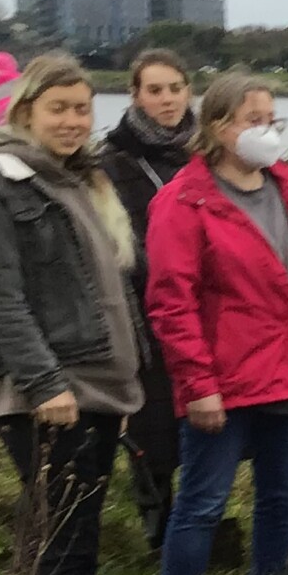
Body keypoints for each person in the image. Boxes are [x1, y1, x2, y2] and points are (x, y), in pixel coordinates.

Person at [0, 54, 146, 575]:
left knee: (79, 517)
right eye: (57, 108)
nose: (71, 121)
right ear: (26, 109)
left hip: (98, 380)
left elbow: (110, 286)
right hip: (52, 386)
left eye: (82, 108)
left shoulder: (78, 179)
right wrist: (43, 383)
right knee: (63, 518)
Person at [143, 73, 288, 575]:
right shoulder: (184, 202)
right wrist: (199, 385)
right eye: (254, 120)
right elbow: (173, 302)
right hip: (227, 379)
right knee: (203, 501)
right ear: (218, 127)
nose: (267, 130)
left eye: (272, 120)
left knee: (281, 497)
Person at [103, 48, 198, 547]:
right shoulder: (112, 162)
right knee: (151, 428)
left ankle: (198, 524)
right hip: (143, 308)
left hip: (203, 309)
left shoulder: (205, 154)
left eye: (175, 89)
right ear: (135, 95)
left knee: (201, 421)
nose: (167, 100)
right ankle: (157, 530)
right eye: (154, 90)